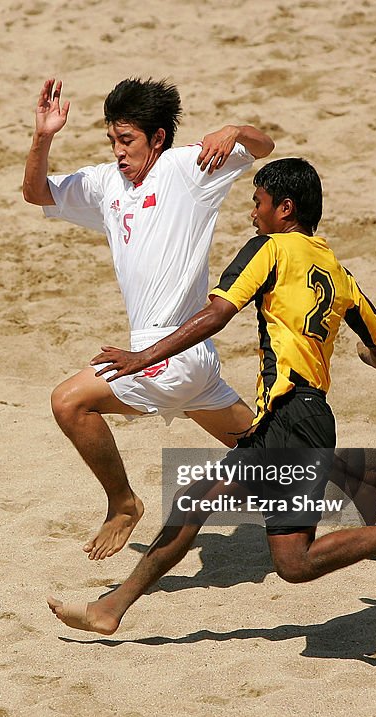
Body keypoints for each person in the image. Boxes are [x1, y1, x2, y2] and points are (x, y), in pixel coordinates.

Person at [48, 158, 376, 634]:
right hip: (294, 415)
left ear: (285, 208)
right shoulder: (338, 271)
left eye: (258, 203)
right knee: (200, 503)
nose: (252, 213)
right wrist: (364, 353)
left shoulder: (270, 249)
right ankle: (110, 609)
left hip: (293, 416)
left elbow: (216, 315)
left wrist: (144, 357)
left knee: (292, 563)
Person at [22, 77, 275, 560]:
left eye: (127, 140)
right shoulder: (104, 184)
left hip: (167, 355)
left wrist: (235, 130)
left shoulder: (189, 169)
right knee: (273, 461)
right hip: (190, 359)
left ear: (158, 138)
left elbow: (264, 147)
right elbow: (37, 194)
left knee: (68, 403)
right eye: (112, 140)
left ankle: (123, 503)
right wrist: (43, 136)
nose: (118, 151)